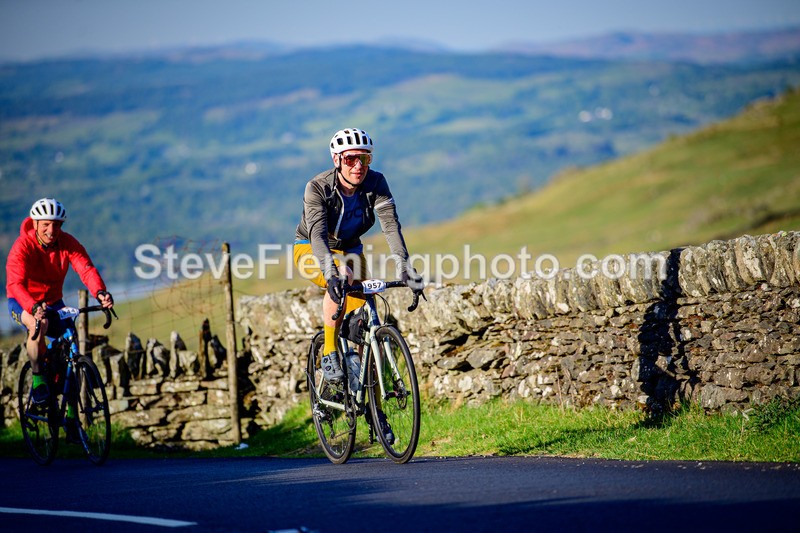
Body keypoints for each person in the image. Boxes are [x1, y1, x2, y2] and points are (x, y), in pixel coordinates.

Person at [293, 128, 423, 384]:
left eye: (364, 158)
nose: (358, 166)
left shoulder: (376, 183)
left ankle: (371, 398)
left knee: (367, 310)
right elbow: (318, 236)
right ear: (337, 159)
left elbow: (390, 226)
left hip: (350, 248)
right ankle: (329, 353)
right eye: (351, 158)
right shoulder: (317, 188)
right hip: (311, 247)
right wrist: (331, 274)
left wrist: (405, 266)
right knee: (342, 277)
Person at [6, 198, 114, 440]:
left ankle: (73, 420)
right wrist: (33, 306)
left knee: (71, 351)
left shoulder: (67, 243)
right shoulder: (22, 246)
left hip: (54, 302)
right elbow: (15, 283)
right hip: (22, 300)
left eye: (56, 225)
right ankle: (38, 382)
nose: (51, 231)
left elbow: (85, 268)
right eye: (45, 225)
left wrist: (101, 292)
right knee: (38, 325)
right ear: (35, 223)